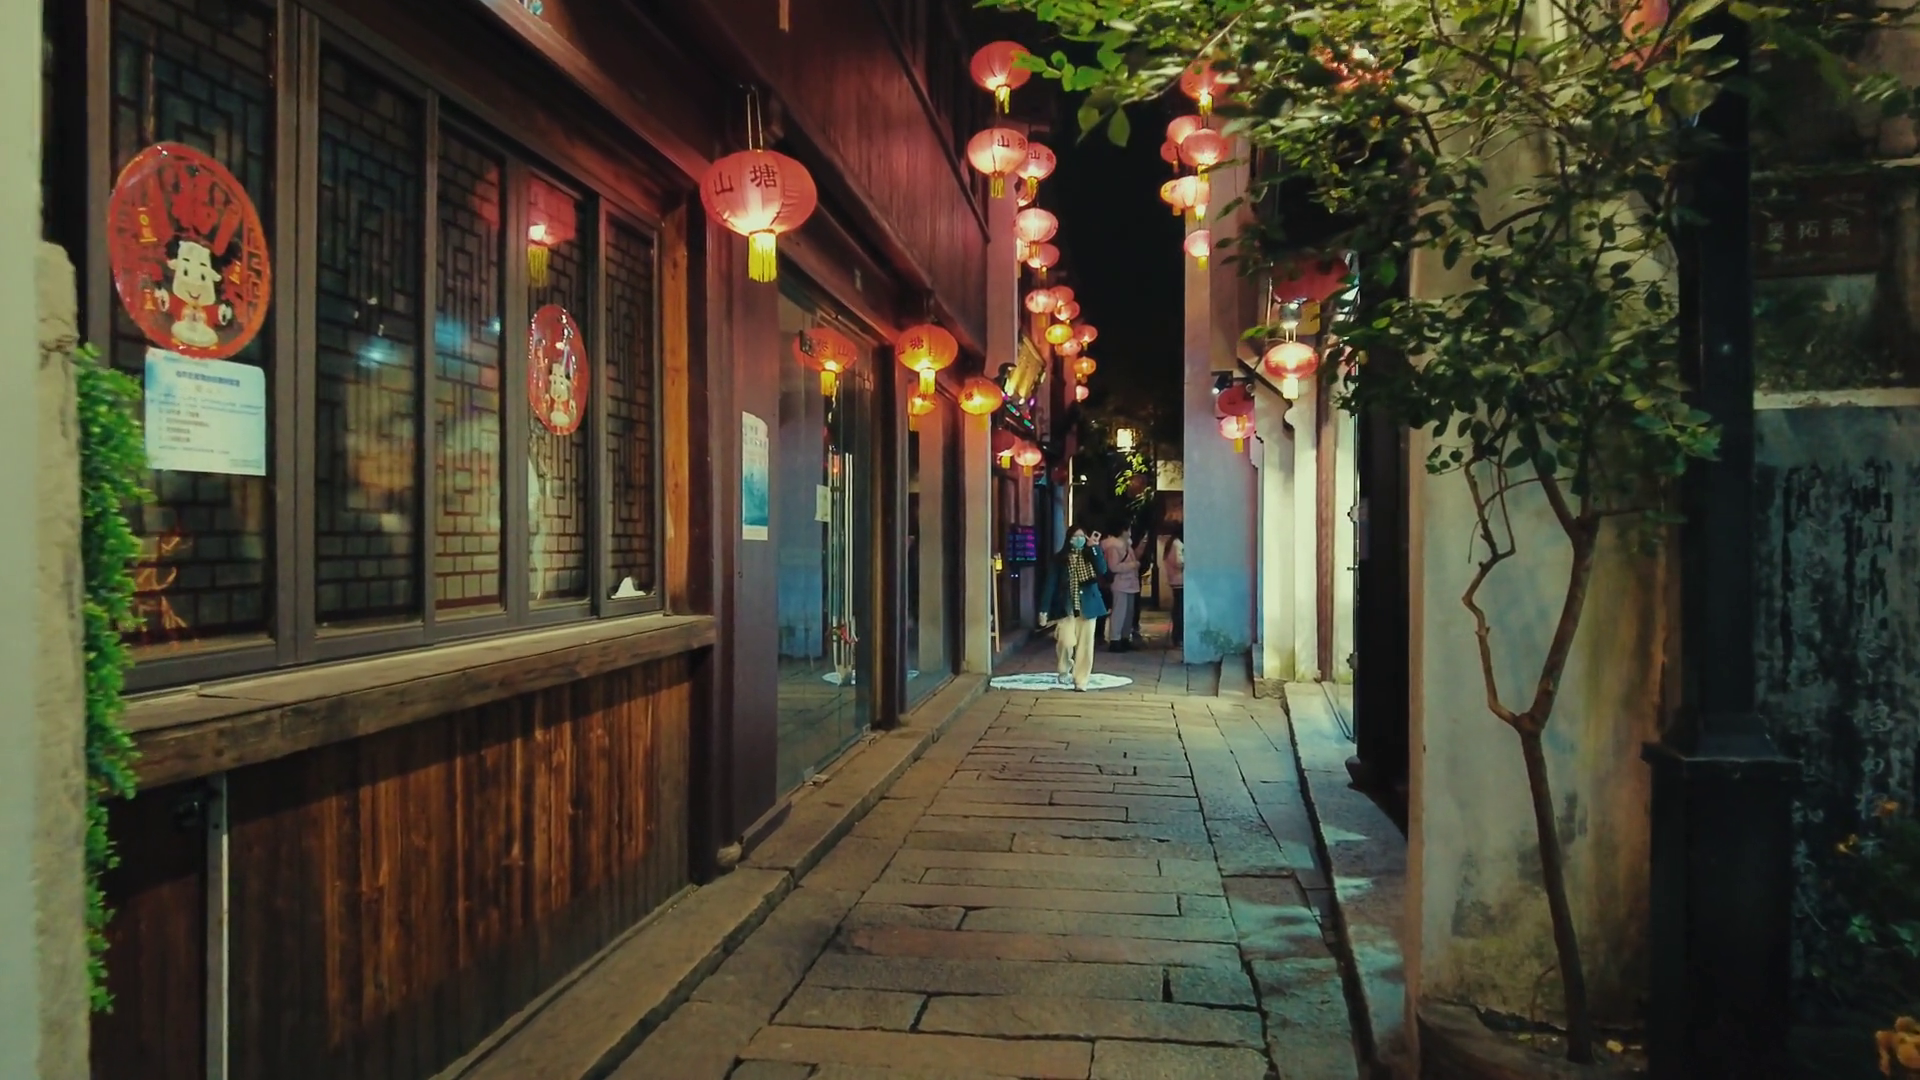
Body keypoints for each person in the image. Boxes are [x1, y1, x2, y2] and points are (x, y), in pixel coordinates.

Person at [1042, 526, 1109, 691]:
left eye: (1081, 536)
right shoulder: (1060, 559)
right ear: (1069, 539)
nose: (1078, 540)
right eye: (1075, 537)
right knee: (1066, 641)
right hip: (1066, 607)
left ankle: (1081, 680)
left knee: (1085, 645)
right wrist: (1044, 609)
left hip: (1088, 605)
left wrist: (1094, 548)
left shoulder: (1090, 554)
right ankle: (1064, 667)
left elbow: (1102, 569)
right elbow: (1050, 584)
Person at [1100, 522, 1147, 652]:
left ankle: (1125, 638)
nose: (1130, 533)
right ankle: (1115, 639)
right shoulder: (1114, 547)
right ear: (1122, 531)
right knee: (1119, 612)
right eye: (1128, 530)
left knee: (1128, 612)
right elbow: (1113, 566)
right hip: (1120, 583)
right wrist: (1133, 565)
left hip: (1130, 583)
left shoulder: (1126, 545)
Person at [1162, 523, 1185, 646]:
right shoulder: (1177, 544)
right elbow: (1178, 562)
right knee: (1179, 610)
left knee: (1178, 609)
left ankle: (1177, 636)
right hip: (1179, 580)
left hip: (1176, 580)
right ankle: (1178, 636)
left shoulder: (1172, 543)